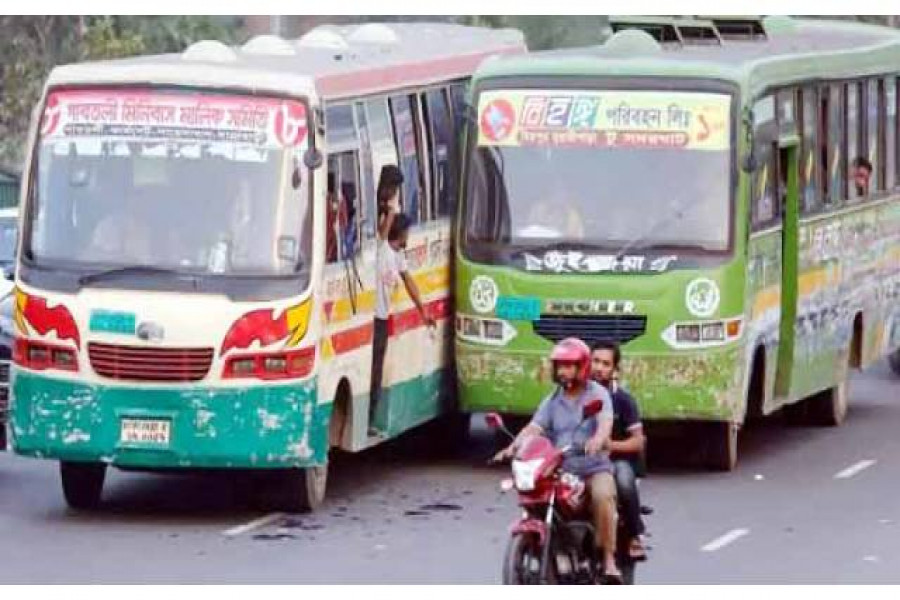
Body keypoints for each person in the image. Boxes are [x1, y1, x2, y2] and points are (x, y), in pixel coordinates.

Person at [494, 337, 622, 583]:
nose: (562, 371)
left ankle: (608, 559)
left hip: (593, 468)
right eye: (559, 365)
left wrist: (597, 439)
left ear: (581, 367)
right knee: (538, 495)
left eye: (568, 365)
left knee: (603, 495)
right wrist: (512, 447)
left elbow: (605, 423)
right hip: (562, 469)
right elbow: (534, 428)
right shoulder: (552, 401)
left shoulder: (598, 394)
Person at [370, 165, 435, 436]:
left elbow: (409, 282)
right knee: (373, 369)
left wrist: (423, 311)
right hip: (373, 318)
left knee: (377, 371)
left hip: (382, 318)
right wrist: (391, 211)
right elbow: (381, 236)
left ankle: (371, 419)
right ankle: (368, 420)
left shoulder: (397, 256)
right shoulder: (381, 249)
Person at [591, 340, 647, 561]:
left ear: (614, 369)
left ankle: (634, 535)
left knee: (623, 481)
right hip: (584, 460)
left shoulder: (623, 400)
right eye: (595, 361)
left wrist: (610, 445)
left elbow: (638, 441)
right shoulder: (576, 395)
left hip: (616, 460)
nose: (599, 368)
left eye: (605, 364)